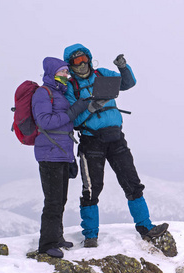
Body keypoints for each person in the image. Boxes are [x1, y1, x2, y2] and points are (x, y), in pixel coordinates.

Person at [63, 44, 169, 248]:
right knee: (92, 189)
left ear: (90, 57)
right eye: (76, 61)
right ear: (70, 64)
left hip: (116, 138)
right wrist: (92, 108)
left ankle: (145, 227)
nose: (82, 63)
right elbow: (72, 120)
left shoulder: (102, 74)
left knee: (131, 182)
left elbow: (128, 83)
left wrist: (123, 68)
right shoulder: (71, 87)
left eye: (84, 58)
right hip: (90, 140)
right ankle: (91, 236)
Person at [32, 57, 107, 257]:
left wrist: (70, 158)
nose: (67, 75)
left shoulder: (59, 93)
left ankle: (56, 237)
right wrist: (74, 111)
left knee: (61, 199)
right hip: (49, 153)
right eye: (63, 72)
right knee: (53, 201)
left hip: (62, 152)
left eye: (66, 71)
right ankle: (47, 245)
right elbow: (45, 122)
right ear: (51, 73)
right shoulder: (43, 93)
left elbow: (66, 124)